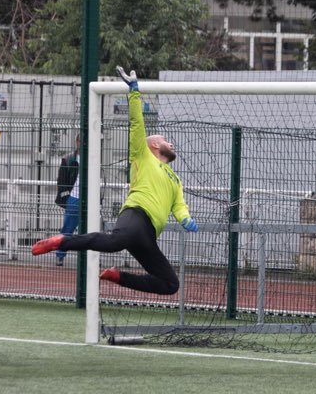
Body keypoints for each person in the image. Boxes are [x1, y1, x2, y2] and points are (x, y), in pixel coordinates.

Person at [32, 67, 198, 295]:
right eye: (166, 140)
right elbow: (137, 124)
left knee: (170, 284)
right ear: (154, 146)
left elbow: (178, 205)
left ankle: (118, 276)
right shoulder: (142, 155)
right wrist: (134, 93)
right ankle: (61, 241)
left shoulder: (176, 180)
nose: (171, 143)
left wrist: (186, 218)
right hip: (136, 216)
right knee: (112, 244)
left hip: (148, 236)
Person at [54, 133, 80, 266]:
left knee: (90, 231)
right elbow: (62, 180)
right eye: (81, 141)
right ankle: (60, 255)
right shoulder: (68, 159)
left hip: (89, 199)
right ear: (77, 142)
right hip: (74, 198)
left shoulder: (94, 158)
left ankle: (88, 258)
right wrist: (65, 197)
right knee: (67, 229)